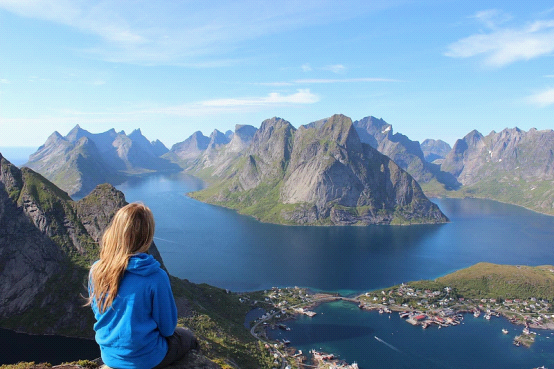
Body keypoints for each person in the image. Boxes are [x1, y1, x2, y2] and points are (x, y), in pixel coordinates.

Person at [87, 202, 198, 369]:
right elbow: (167, 329)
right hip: (146, 359)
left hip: (109, 356)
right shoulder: (155, 277)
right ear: (147, 236)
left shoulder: (97, 270)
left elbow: (100, 313)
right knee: (188, 337)